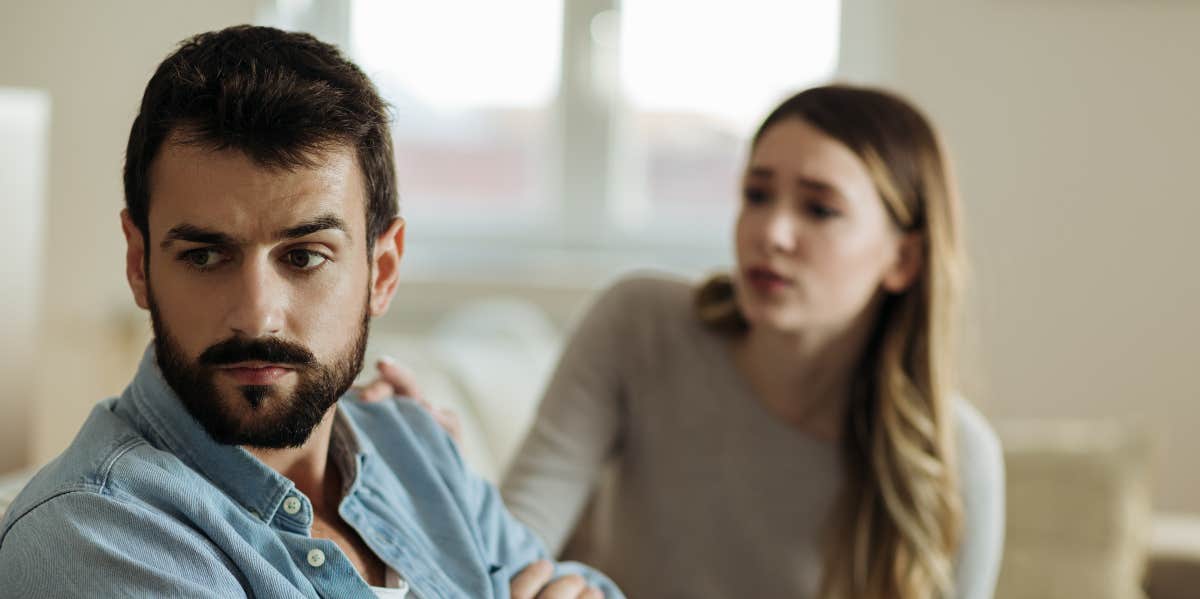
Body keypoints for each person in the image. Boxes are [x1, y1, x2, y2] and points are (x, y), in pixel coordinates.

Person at [0, 25, 620, 599]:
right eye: (205, 256)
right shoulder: (96, 535)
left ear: (382, 271)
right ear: (139, 264)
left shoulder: (416, 448)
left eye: (304, 256)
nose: (257, 316)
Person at [365, 85, 1005, 598]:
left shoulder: (957, 456)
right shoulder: (640, 324)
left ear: (905, 260)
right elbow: (509, 555)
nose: (771, 231)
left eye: (820, 209)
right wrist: (442, 476)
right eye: (757, 195)